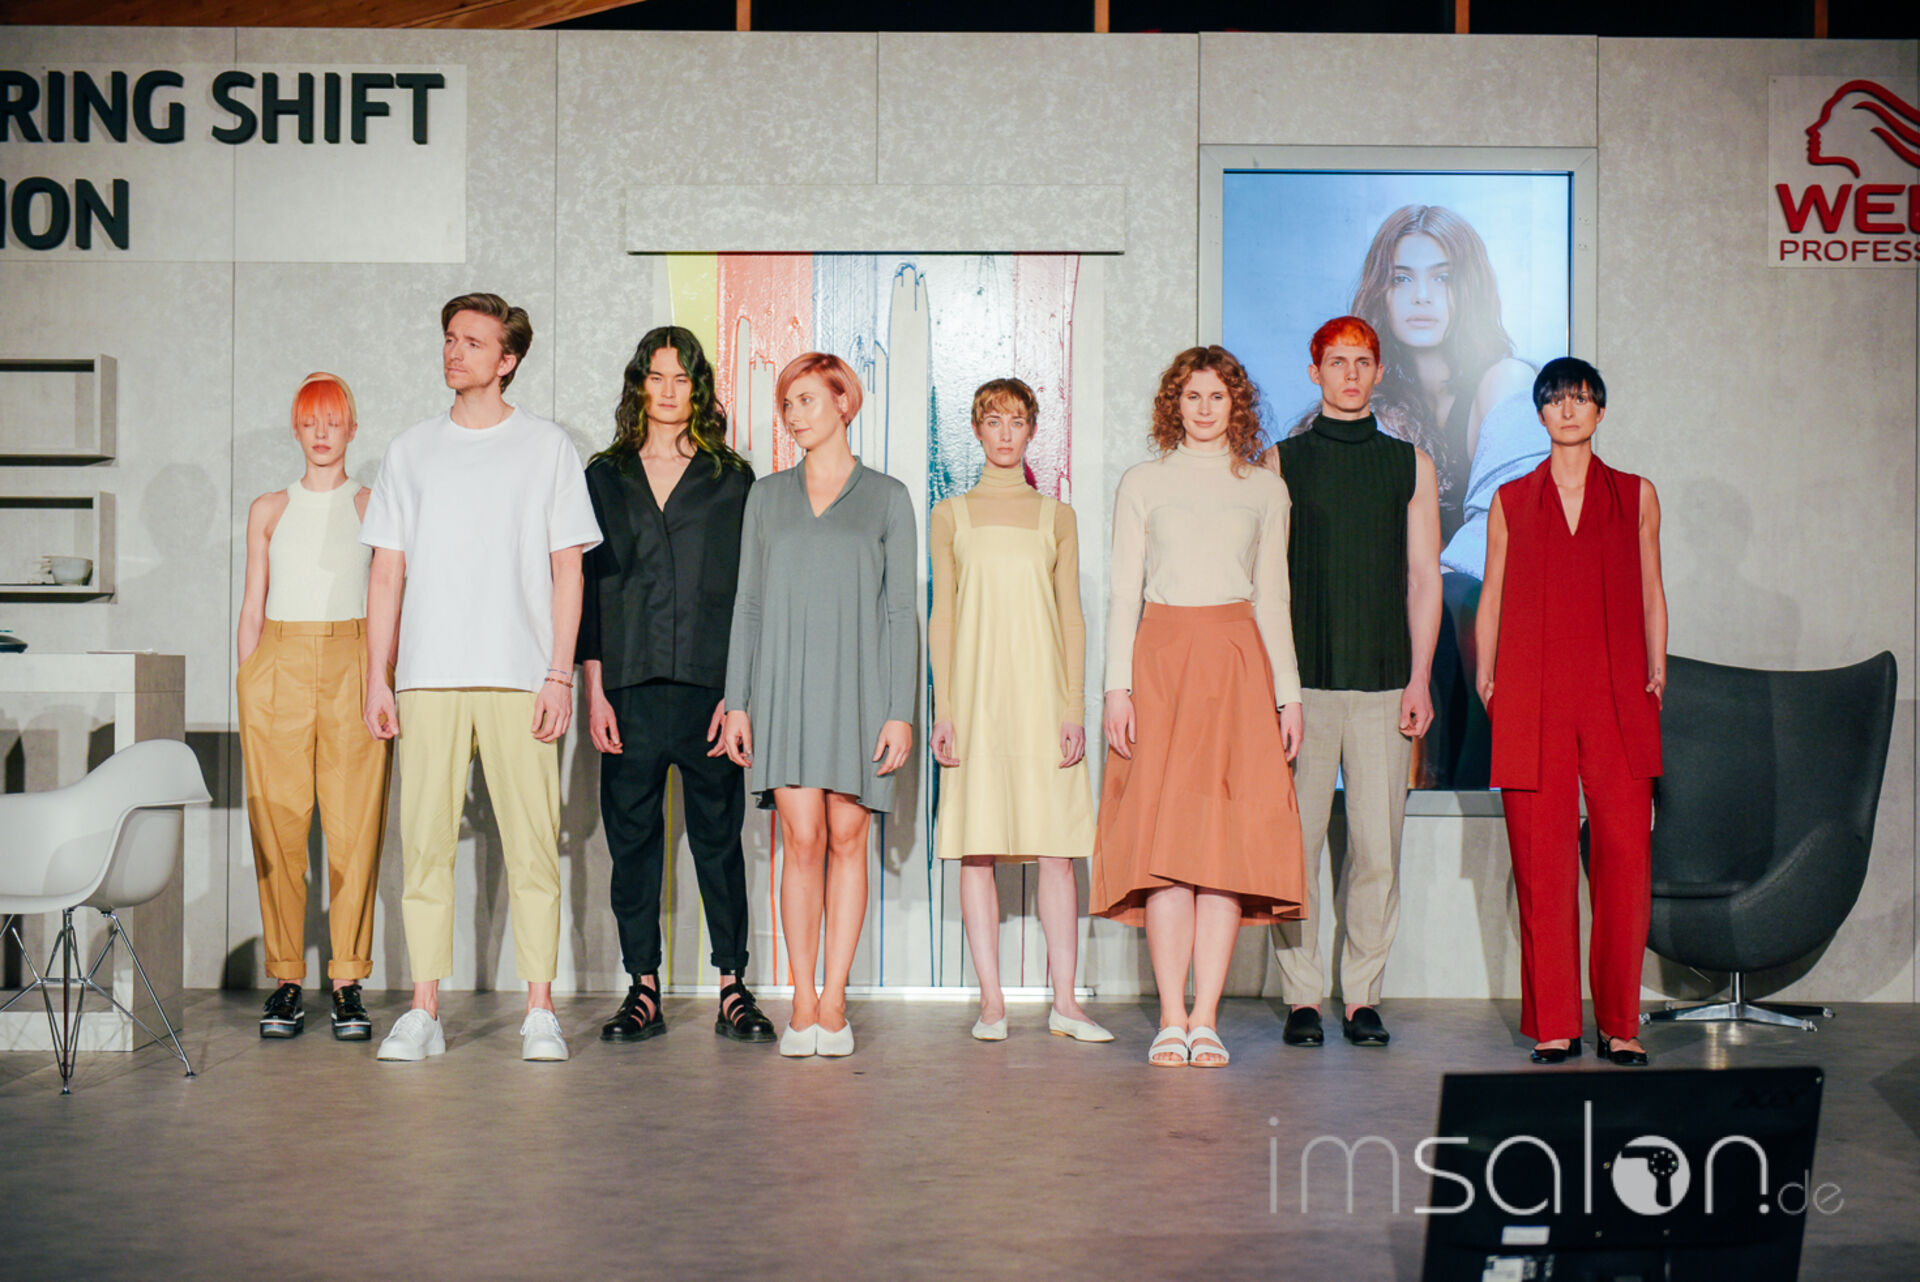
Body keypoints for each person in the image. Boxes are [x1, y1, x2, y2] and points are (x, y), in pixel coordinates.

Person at [361, 292, 603, 1064]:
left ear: (507, 359)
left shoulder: (546, 447)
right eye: (449, 338)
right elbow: (386, 574)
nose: (453, 350)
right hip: (428, 676)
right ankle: (423, 1011)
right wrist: (376, 678)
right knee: (424, 848)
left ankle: (540, 1010)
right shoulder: (410, 450)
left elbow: (569, 570)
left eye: (472, 341)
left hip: (518, 674)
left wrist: (558, 674)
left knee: (532, 848)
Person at [1094, 346, 1307, 1069]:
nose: (1206, 408)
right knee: (1165, 849)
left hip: (1237, 664)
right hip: (1159, 664)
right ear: (1174, 404)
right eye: (1193, 395)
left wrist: (1288, 694)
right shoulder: (1143, 482)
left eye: (1219, 395)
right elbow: (1123, 593)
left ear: (1236, 404)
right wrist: (1116, 687)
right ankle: (1170, 1018)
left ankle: (1206, 1019)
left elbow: (1273, 598)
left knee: (1221, 850)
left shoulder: (1265, 489)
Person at [579, 326, 775, 1046]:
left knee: (719, 842)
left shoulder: (732, 479)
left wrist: (738, 693)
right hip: (627, 686)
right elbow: (588, 588)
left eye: (681, 378)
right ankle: (643, 988)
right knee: (632, 844)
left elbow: (750, 592)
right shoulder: (603, 476)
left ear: (699, 389)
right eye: (655, 377)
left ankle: (733, 987)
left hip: (708, 689)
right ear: (639, 385)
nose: (667, 391)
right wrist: (594, 690)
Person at [720, 352, 918, 1060]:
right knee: (800, 839)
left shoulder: (888, 496)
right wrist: (737, 701)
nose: (794, 415)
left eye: (807, 400)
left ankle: (834, 1002)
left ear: (843, 402)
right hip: (783, 687)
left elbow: (902, 611)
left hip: (862, 690)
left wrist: (900, 710)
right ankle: (801, 999)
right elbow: (747, 604)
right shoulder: (766, 496)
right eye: (788, 404)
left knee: (848, 838)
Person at [1476, 357, 1665, 1067]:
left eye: (1580, 399)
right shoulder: (1511, 499)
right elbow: (1492, 593)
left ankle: (1620, 1023)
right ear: (1539, 413)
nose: (1568, 409)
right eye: (1555, 399)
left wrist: (1657, 665)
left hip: (1619, 694)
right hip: (1534, 692)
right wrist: (1488, 675)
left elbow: (1651, 585)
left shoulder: (1636, 495)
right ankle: (1555, 1023)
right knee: (1541, 863)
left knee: (1625, 859)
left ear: (1600, 411)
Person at [1264, 317, 1442, 1050]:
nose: (1349, 374)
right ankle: (1302, 997)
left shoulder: (1409, 465)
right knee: (1295, 850)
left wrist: (1420, 678)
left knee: (1377, 851)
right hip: (1303, 689)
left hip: (1383, 684)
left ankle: (1363, 996)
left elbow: (1424, 578)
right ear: (1315, 371)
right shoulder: (1282, 462)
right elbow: (1267, 585)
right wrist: (1278, 687)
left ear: (1377, 372)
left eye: (1362, 362)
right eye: (1336, 362)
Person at [929, 378, 1107, 1044]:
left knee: (1057, 851)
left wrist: (1073, 707)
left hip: (1042, 700)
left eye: (1017, 421)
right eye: (993, 420)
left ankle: (1066, 1003)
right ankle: (992, 1003)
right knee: (977, 848)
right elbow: (943, 618)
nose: (1005, 433)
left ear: (1033, 430)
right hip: (976, 703)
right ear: (977, 429)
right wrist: (945, 709)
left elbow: (1072, 618)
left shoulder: (1057, 517)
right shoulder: (950, 515)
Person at [235, 372, 390, 1041]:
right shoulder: (269, 508)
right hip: (278, 662)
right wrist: (249, 677)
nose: (322, 433)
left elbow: (390, 594)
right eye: (309, 421)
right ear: (296, 429)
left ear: (353, 428)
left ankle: (348, 982)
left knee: (355, 828)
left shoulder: (371, 505)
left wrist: (381, 674)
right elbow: (252, 603)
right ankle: (287, 981)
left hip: (354, 658)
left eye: (333, 420)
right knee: (279, 828)